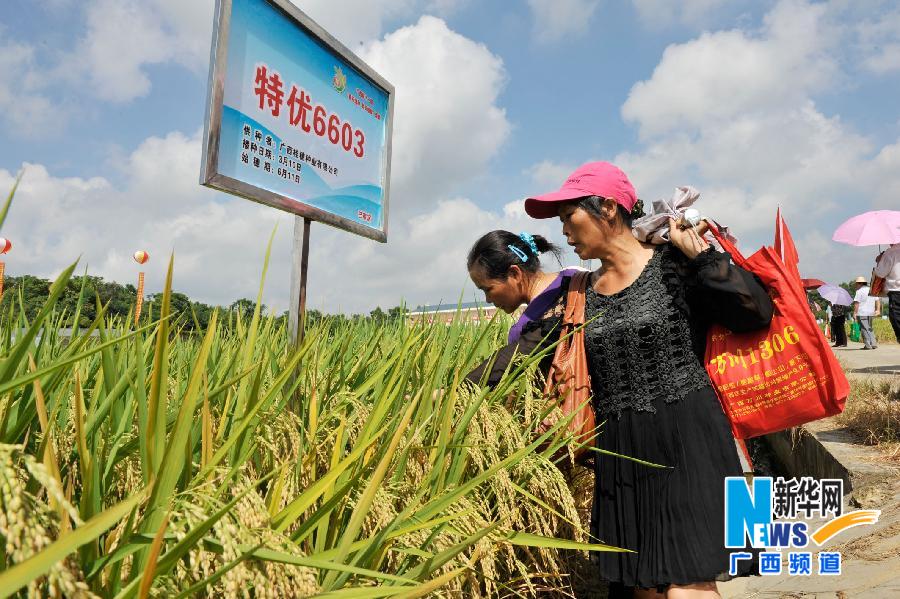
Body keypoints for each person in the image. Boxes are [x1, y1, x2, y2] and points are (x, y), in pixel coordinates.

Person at [524, 162, 774, 599]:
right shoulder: (578, 294)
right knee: (645, 588)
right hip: (620, 452)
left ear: (606, 207)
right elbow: (525, 352)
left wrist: (703, 256)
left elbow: (754, 311)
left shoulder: (674, 266)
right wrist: (448, 385)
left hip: (689, 439)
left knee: (687, 584)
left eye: (569, 216)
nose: (564, 230)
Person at [464, 230, 577, 387]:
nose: (488, 300)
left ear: (514, 273)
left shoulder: (528, 326)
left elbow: (506, 363)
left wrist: (457, 390)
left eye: (488, 289)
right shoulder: (577, 279)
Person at [874, 242, 900, 343]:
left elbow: (880, 273)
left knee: (896, 320)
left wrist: (880, 261)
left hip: (896, 292)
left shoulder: (890, 252)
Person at [852, 276, 880, 350]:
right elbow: (877, 300)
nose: (856, 286)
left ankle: (868, 345)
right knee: (869, 328)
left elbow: (856, 303)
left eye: (856, 284)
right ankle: (873, 343)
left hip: (862, 313)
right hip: (871, 312)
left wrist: (855, 313)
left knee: (864, 329)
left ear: (859, 283)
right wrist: (878, 310)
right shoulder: (872, 290)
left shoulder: (859, 291)